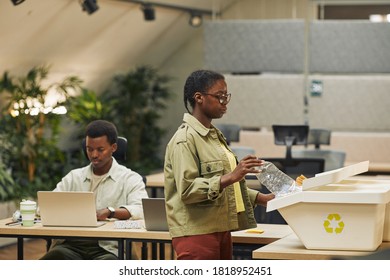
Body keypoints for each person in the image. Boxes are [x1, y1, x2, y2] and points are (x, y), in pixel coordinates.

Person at [164, 69, 275, 260]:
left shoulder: (213, 137)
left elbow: (225, 187)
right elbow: (188, 190)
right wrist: (232, 175)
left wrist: (261, 199)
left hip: (220, 228)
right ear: (199, 98)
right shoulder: (184, 139)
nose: (224, 103)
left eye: (226, 97)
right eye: (219, 96)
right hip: (197, 232)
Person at [40, 120, 148, 260]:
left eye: (100, 149)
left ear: (113, 147)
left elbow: (140, 210)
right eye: (89, 149)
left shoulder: (130, 178)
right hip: (70, 246)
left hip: (109, 248)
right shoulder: (74, 177)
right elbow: (46, 205)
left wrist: (111, 212)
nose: (94, 155)